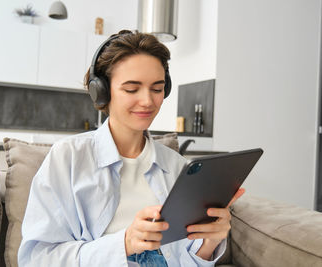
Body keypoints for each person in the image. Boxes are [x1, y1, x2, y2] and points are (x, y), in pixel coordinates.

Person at [18, 30, 244, 267]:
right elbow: (36, 260)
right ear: (102, 92)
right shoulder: (67, 159)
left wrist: (210, 241)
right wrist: (124, 243)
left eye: (156, 89)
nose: (147, 101)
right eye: (132, 89)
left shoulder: (177, 166)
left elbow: (187, 260)